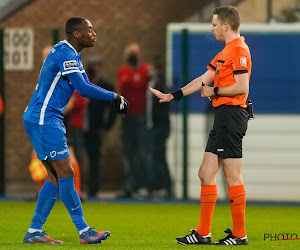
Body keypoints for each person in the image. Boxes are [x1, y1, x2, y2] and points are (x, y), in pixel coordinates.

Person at [150, 6, 251, 245]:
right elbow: (202, 79)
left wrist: (214, 90)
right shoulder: (225, 52)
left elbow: (242, 87)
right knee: (205, 174)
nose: (212, 28)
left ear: (226, 26)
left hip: (232, 116)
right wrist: (173, 95)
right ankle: (203, 233)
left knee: (233, 176)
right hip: (223, 117)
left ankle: (240, 235)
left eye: (214, 24)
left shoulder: (239, 50)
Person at [22, 16, 128, 244]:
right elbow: (82, 88)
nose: (94, 33)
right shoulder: (66, 53)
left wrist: (113, 97)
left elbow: (85, 85)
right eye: (89, 29)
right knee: (66, 172)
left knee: (55, 176)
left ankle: (34, 231)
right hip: (45, 118)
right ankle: (84, 231)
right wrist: (114, 97)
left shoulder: (69, 52)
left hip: (41, 117)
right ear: (77, 34)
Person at [117, 43, 151, 198]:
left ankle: (146, 185)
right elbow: (123, 88)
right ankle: (130, 186)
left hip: (141, 117)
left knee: (143, 152)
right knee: (128, 153)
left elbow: (137, 85)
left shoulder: (145, 70)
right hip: (127, 117)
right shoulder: (122, 71)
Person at [85, 57, 117, 197]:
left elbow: (114, 107)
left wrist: (107, 125)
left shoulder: (105, 84)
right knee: (76, 158)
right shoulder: (82, 81)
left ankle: (93, 189)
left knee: (94, 159)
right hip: (78, 126)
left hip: (94, 127)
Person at [145, 59, 172, 198]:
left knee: (158, 157)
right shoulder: (152, 83)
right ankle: (156, 186)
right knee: (155, 157)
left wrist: (159, 124)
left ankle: (164, 186)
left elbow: (161, 107)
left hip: (159, 126)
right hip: (154, 125)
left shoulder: (160, 84)